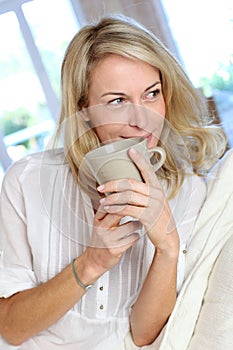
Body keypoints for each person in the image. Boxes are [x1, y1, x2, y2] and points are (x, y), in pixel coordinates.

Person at [0, 14, 227, 350]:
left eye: (152, 94)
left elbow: (143, 335)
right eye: (118, 101)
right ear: (84, 108)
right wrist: (93, 262)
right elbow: (11, 329)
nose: (142, 120)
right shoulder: (28, 181)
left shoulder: (189, 190)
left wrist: (166, 247)